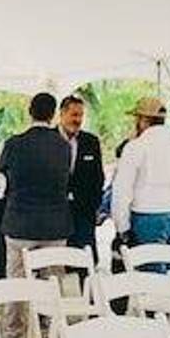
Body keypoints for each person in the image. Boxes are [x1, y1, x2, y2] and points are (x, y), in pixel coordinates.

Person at [0, 92, 72, 338]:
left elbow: (3, 182)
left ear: (30, 111)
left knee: (16, 282)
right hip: (55, 224)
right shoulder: (63, 146)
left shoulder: (13, 143)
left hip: (20, 222)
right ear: (53, 114)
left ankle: (12, 335)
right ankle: (54, 335)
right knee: (53, 284)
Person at [111, 97, 170, 253]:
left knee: (149, 276)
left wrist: (122, 227)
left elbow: (122, 190)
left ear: (143, 120)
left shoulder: (136, 147)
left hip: (148, 216)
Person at [59, 95, 104, 264]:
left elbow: (98, 178)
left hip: (83, 214)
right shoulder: (50, 139)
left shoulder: (91, 141)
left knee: (85, 264)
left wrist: (94, 206)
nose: (78, 120)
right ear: (62, 114)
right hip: (57, 214)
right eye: (74, 115)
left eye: (81, 115)